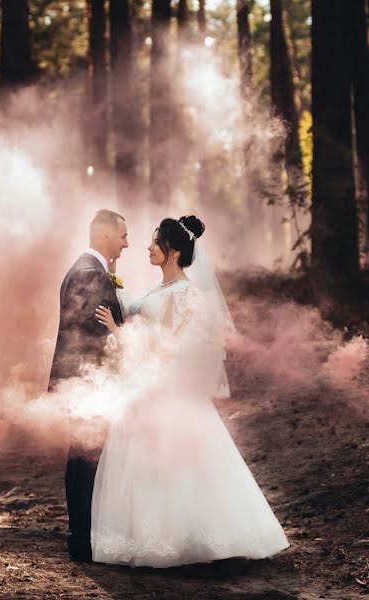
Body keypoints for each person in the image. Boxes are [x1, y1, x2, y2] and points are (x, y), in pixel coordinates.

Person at [91, 215, 289, 568]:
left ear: (174, 251)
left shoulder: (187, 295)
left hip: (165, 391)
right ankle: (144, 536)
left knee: (171, 464)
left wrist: (118, 332)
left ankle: (186, 539)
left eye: (156, 243)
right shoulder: (157, 290)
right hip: (144, 387)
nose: (148, 248)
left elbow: (168, 349)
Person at [48, 209, 129, 563]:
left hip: (82, 384)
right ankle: (82, 540)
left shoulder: (88, 270)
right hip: (86, 385)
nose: (127, 243)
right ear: (106, 236)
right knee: (85, 461)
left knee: (82, 460)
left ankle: (82, 536)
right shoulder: (88, 274)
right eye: (123, 236)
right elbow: (91, 337)